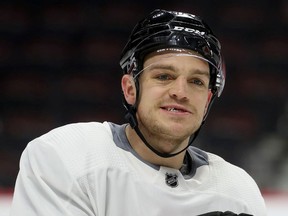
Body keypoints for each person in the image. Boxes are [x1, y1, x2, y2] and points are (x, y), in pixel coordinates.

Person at [10, 9, 267, 216]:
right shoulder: (65, 156)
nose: (181, 91)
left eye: (197, 81)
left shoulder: (237, 191)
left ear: (208, 100)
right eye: (164, 76)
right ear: (130, 88)